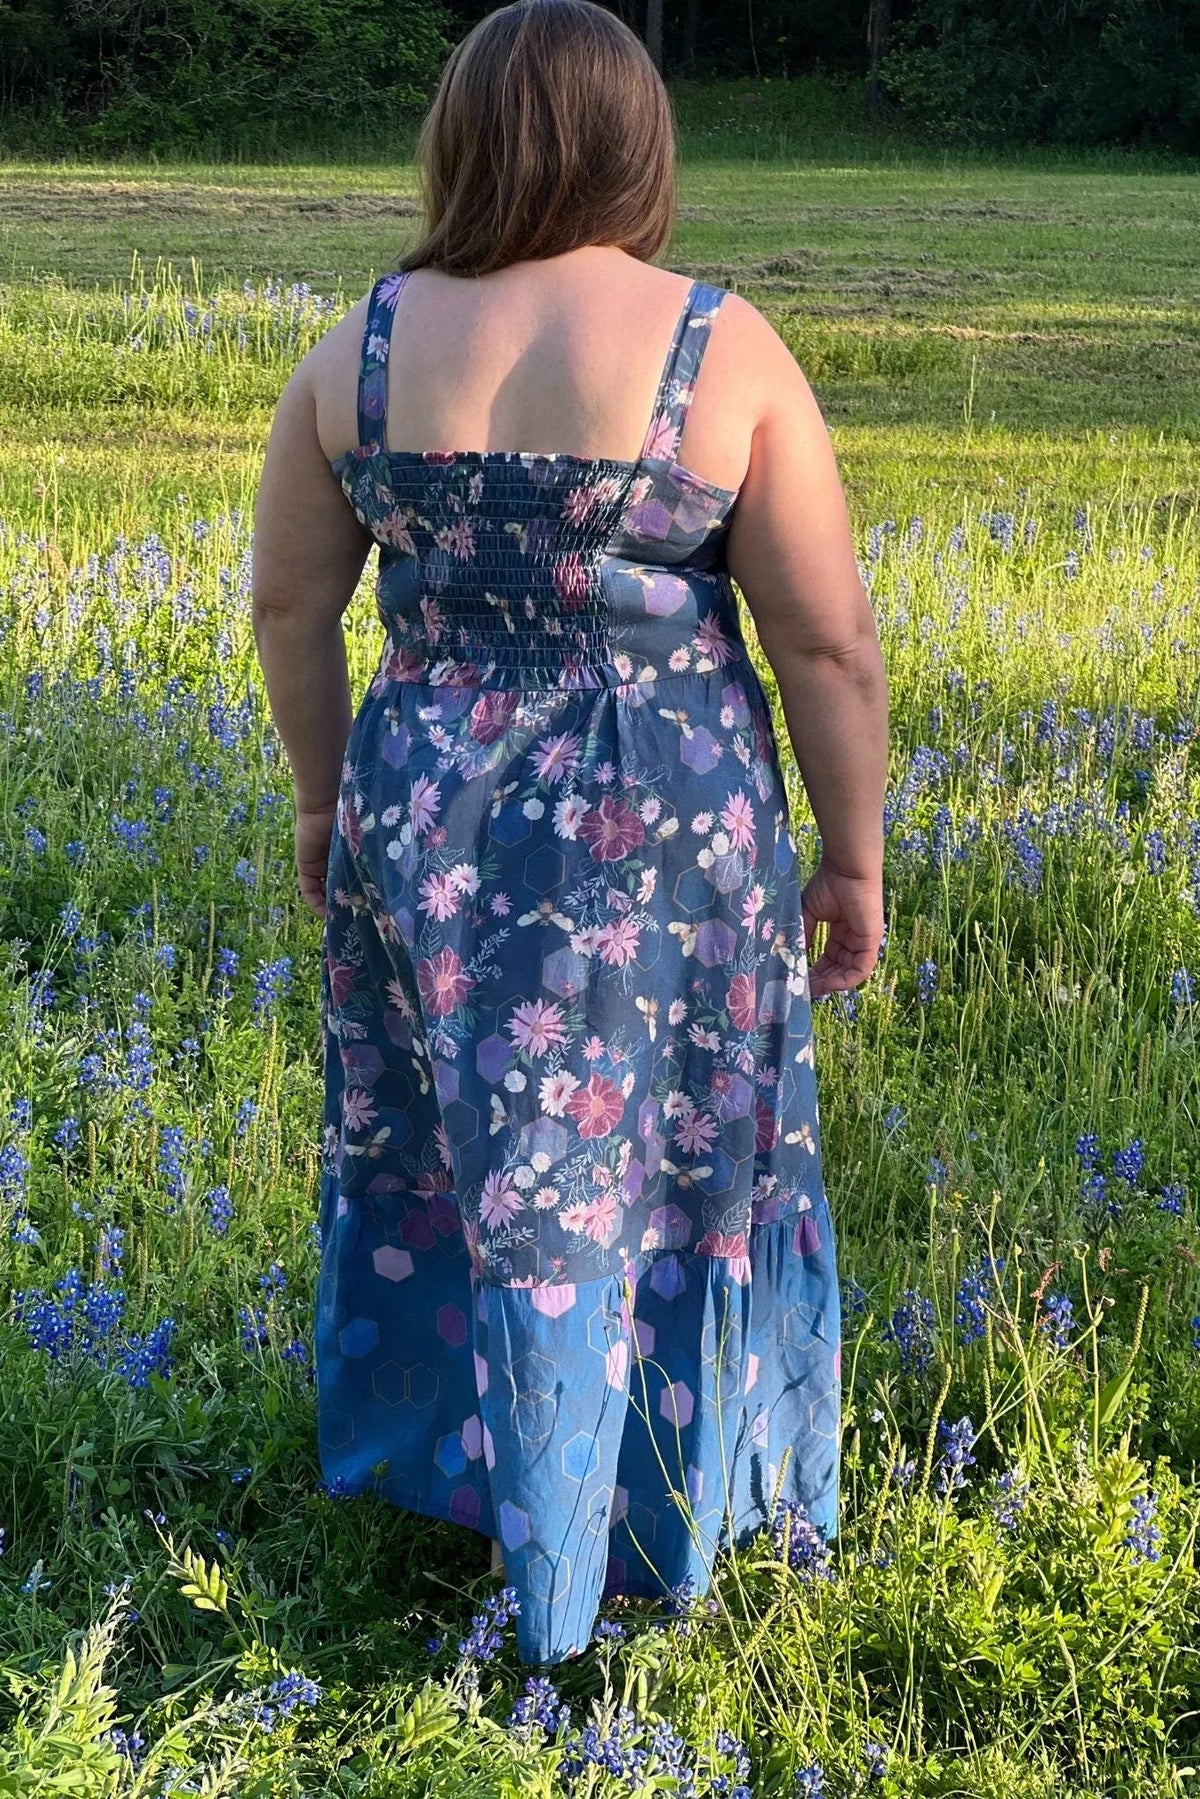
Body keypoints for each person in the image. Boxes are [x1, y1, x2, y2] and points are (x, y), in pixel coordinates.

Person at [251, 0, 888, 1666]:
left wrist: (329, 799)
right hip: (662, 822)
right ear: (639, 144)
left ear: (459, 140)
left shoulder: (363, 349)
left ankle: (472, 1483)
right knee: (671, 1152)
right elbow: (825, 642)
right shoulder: (716, 345)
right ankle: (664, 1494)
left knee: (467, 1150)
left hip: (428, 802)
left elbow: (289, 604)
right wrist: (855, 852)